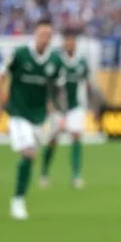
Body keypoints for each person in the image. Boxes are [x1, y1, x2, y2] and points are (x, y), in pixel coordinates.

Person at [0, 22, 63, 220]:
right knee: (29, 152)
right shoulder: (20, 54)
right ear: (35, 34)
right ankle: (18, 201)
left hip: (39, 117)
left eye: (49, 35)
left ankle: (22, 195)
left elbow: (57, 89)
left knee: (34, 153)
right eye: (42, 34)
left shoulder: (54, 61)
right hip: (18, 113)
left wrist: (58, 112)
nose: (45, 38)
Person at [41, 29, 100, 189]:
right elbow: (47, 82)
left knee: (76, 136)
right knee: (53, 140)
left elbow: (88, 85)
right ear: (63, 43)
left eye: (72, 41)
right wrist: (48, 103)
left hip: (75, 107)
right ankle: (44, 172)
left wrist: (94, 107)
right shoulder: (56, 60)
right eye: (67, 41)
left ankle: (76, 175)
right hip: (58, 109)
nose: (69, 43)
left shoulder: (81, 62)